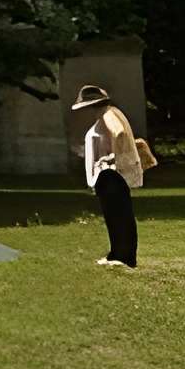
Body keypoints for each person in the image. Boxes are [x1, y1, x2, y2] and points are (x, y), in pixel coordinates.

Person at [72, 85, 151, 268]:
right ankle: (118, 253)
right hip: (110, 173)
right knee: (117, 215)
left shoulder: (108, 115)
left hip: (110, 174)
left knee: (118, 215)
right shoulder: (109, 114)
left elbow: (120, 133)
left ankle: (122, 256)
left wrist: (115, 156)